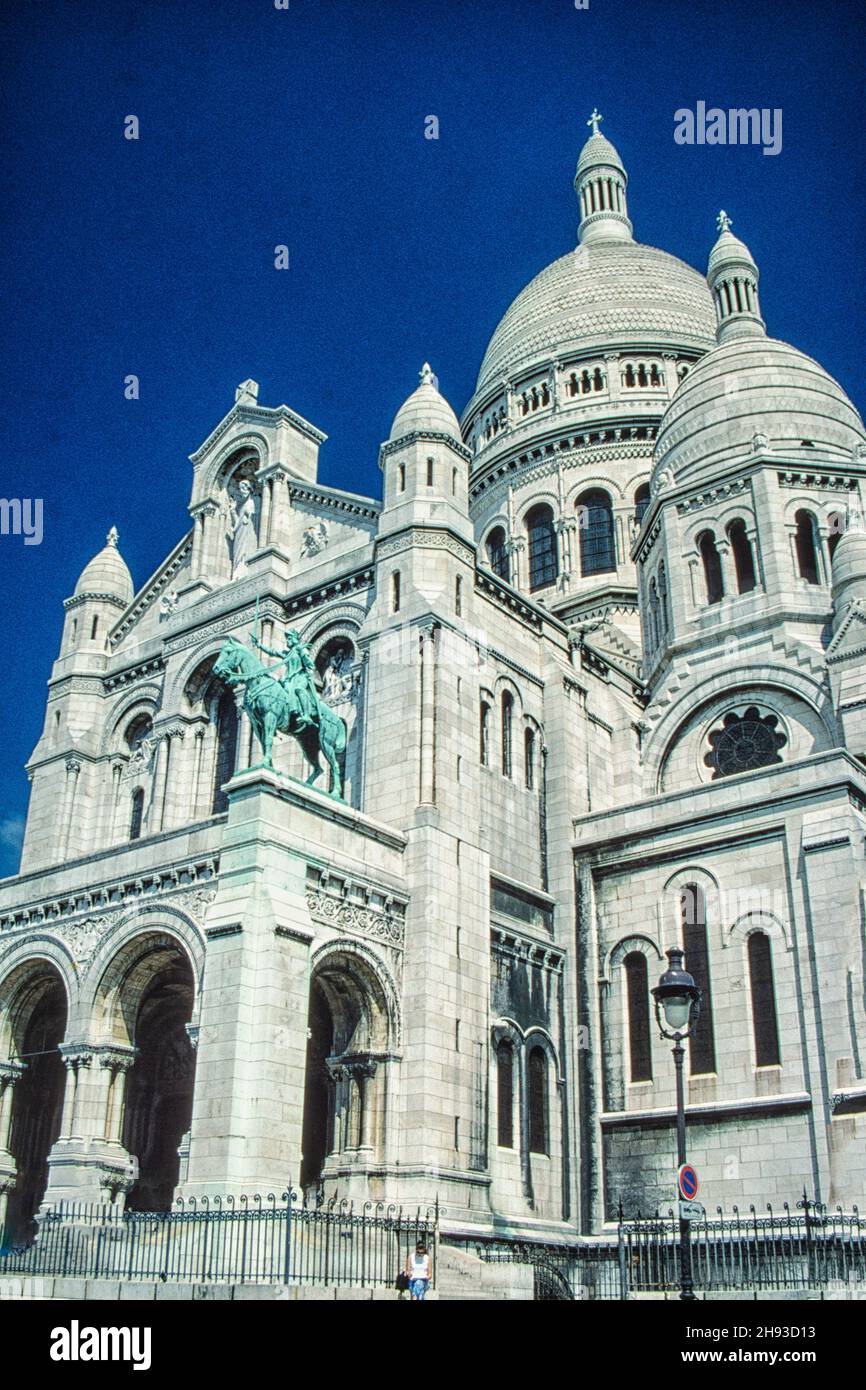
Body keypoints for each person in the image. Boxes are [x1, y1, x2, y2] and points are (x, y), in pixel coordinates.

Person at [251, 628, 319, 731]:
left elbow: (310, 664)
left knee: (299, 689)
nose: (287, 641)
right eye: (287, 638)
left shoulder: (301, 650)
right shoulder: (288, 653)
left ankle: (306, 715)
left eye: (289, 638)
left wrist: (304, 656)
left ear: (294, 639)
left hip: (301, 676)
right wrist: (259, 645)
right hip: (290, 679)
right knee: (283, 691)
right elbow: (273, 652)